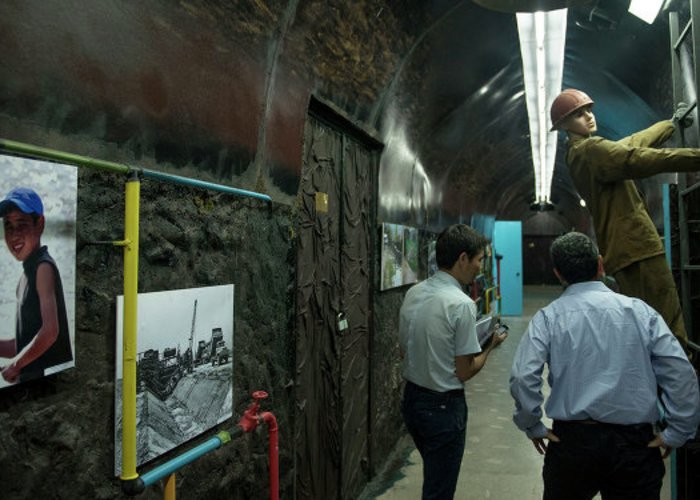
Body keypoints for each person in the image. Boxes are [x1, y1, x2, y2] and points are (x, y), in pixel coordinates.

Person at [510, 232, 700, 500]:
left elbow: (522, 376)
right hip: (634, 444)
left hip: (572, 443)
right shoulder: (640, 312)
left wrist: (532, 424)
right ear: (600, 264)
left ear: (558, 274)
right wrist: (678, 430)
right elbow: (680, 373)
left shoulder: (548, 317)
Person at [550, 88, 700, 348]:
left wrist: (669, 125)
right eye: (578, 114)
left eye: (588, 109)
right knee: (667, 323)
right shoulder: (590, 149)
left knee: (644, 325)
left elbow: (631, 143)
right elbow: (636, 157)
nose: (588, 116)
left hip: (621, 251)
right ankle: (676, 381)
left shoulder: (578, 154)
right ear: (563, 125)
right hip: (638, 247)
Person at [399, 223, 508, 500]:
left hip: (412, 402)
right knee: (439, 490)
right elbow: (464, 370)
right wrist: (490, 346)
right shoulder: (461, 304)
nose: (480, 268)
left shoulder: (414, 293)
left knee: (435, 479)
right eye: (479, 260)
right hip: (443, 408)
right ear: (463, 259)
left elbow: (406, 349)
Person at [0, 187, 72, 384]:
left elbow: (50, 332)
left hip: (46, 385)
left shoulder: (43, 267)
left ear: (39, 224)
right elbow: (25, 343)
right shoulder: (25, 275)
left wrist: (15, 365)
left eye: (21, 224)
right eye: (8, 226)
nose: (14, 235)